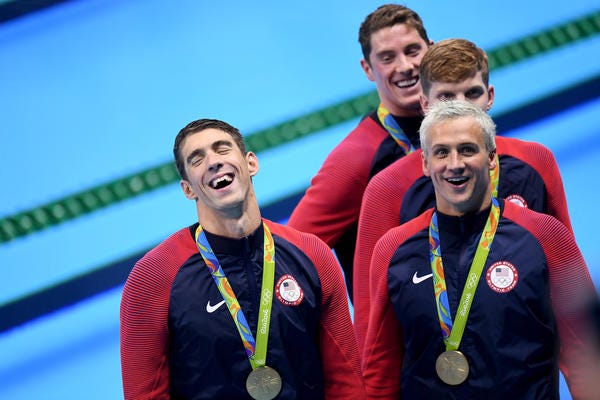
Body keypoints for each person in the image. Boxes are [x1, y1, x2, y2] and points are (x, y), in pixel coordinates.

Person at [361, 100, 597, 399]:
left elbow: (587, 352)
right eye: (441, 152)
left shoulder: (545, 235)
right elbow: (380, 371)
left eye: (468, 149)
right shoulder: (394, 249)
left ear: (492, 158)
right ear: (425, 163)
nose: (455, 163)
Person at [120, 119, 366, 399]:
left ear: (251, 164)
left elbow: (346, 380)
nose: (213, 162)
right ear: (188, 189)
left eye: (222, 149)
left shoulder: (312, 254)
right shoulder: (153, 277)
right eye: (197, 159)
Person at [353, 38, 573, 350]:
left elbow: (568, 286)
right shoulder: (387, 189)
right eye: (446, 98)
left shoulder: (536, 163)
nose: (462, 108)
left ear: (490, 96)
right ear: (425, 104)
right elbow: (368, 315)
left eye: (472, 93)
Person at [287, 4, 432, 297]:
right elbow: (288, 258)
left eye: (412, 51)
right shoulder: (356, 159)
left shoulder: (455, 127)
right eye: (387, 58)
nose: (404, 66)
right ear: (368, 69)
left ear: (431, 50)